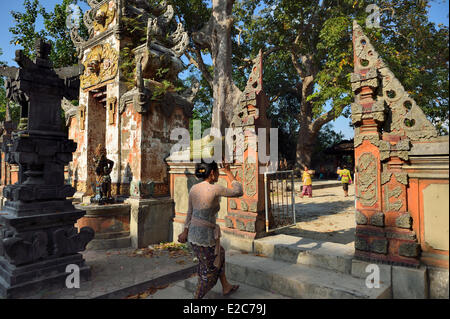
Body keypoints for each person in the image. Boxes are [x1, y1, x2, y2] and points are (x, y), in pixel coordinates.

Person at [177, 160, 243, 299]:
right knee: (210, 272)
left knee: (220, 254)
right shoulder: (215, 189)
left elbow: (190, 212)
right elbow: (238, 191)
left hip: (194, 237)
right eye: (218, 172)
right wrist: (229, 172)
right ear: (212, 173)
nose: (219, 174)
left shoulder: (194, 188)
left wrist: (185, 231)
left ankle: (226, 286)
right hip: (205, 237)